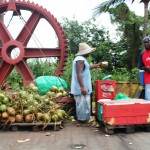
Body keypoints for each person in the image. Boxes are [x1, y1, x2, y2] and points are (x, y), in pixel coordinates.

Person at [71, 43, 101, 126]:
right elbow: (79, 73)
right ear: (85, 52)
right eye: (88, 52)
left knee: (84, 103)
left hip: (82, 86)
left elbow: (86, 68)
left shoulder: (81, 59)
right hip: (81, 87)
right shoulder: (80, 60)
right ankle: (80, 121)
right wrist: (82, 87)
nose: (89, 53)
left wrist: (96, 65)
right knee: (82, 104)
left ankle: (84, 120)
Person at [138, 35, 150, 100]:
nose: (146, 44)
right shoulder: (142, 54)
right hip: (148, 80)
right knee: (148, 99)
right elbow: (140, 66)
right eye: (145, 42)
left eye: (147, 42)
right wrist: (146, 68)